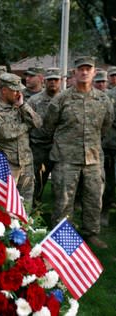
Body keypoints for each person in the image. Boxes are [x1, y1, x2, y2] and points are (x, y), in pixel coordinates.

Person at [43, 56, 114, 249]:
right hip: (66, 158)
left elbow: (106, 126)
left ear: (93, 72)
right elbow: (49, 125)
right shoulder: (62, 98)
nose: (84, 72)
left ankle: (90, 233)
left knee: (93, 198)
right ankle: (62, 235)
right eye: (80, 69)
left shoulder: (103, 99)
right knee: (64, 200)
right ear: (74, 73)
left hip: (93, 158)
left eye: (88, 69)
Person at [0, 73, 42, 208]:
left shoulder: (20, 106)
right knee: (4, 207)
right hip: (6, 165)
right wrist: (26, 126)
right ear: (4, 90)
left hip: (25, 163)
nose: (18, 93)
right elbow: (5, 133)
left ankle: (23, 229)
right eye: (15, 90)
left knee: (24, 207)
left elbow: (38, 122)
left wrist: (23, 106)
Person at [27, 68, 62, 205]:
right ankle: (35, 207)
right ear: (44, 81)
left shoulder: (66, 99)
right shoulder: (34, 100)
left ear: (61, 81)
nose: (52, 82)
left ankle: (61, 212)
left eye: (56, 79)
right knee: (37, 180)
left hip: (61, 147)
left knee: (62, 181)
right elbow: (27, 122)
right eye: (50, 80)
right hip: (39, 147)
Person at [101, 83, 116, 225]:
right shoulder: (110, 96)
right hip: (111, 146)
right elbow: (107, 121)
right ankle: (104, 210)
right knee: (110, 182)